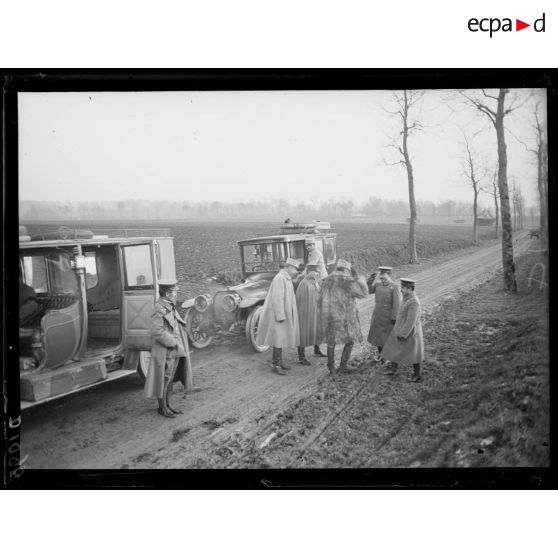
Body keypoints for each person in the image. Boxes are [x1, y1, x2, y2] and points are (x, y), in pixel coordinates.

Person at [144, 280, 191, 417]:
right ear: (168, 293)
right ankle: (162, 408)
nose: (176, 294)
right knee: (163, 380)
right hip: (166, 350)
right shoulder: (159, 308)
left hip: (174, 350)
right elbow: (156, 331)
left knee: (169, 380)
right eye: (174, 291)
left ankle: (168, 405)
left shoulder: (169, 306)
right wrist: (173, 343)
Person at [318, 259, 368, 373]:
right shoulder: (347, 280)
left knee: (331, 341)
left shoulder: (327, 279)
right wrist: (362, 281)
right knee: (350, 340)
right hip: (345, 316)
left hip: (330, 316)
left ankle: (331, 367)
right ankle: (343, 365)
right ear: (346, 269)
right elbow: (362, 294)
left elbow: (320, 297)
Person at [256, 257, 300, 374]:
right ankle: (275, 364)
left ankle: (279, 362)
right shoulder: (280, 278)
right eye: (295, 268)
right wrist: (280, 315)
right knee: (277, 339)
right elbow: (277, 298)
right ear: (288, 267)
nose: (296, 271)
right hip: (278, 314)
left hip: (284, 313)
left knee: (280, 339)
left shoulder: (286, 278)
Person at [381, 278, 424, 382]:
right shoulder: (406, 298)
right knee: (393, 348)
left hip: (411, 332)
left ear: (410, 288)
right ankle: (394, 369)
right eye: (401, 287)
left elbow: (410, 321)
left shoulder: (414, 302)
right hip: (399, 329)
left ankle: (417, 375)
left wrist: (403, 334)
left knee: (414, 353)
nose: (401, 290)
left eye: (403, 288)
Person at [367, 266, 401, 363]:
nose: (382, 277)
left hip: (388, 318)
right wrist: (371, 279)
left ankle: (390, 358)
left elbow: (397, 304)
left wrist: (394, 317)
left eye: (384, 275)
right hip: (378, 317)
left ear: (389, 275)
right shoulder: (378, 285)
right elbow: (369, 290)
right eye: (380, 275)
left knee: (387, 339)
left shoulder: (394, 287)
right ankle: (382, 356)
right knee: (379, 338)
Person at [295, 264, 323, 365]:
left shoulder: (314, 281)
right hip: (305, 312)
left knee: (316, 330)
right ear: (310, 272)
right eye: (316, 272)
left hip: (315, 311)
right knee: (303, 333)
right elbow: (299, 299)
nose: (317, 274)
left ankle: (317, 349)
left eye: (318, 272)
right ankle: (301, 356)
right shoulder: (304, 283)